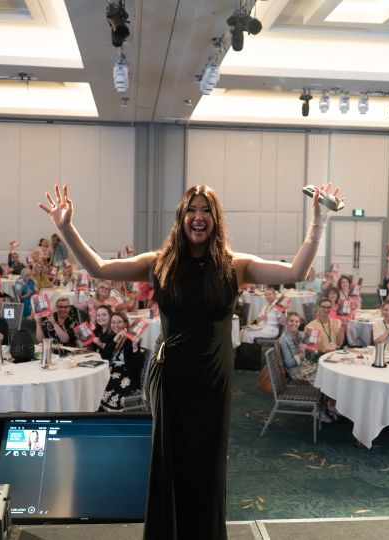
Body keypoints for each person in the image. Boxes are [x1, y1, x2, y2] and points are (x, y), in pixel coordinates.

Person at [37, 182, 337, 539]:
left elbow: (296, 272)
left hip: (214, 379)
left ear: (216, 219)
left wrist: (319, 221)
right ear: (181, 217)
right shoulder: (159, 263)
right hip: (173, 377)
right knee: (170, 462)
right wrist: (66, 227)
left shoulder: (235, 265)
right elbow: (99, 267)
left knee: (208, 466)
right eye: (192, 209)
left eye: (206, 210)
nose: (198, 216)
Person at [97, 310, 144, 411]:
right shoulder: (111, 337)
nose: (116, 325)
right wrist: (114, 340)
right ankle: (100, 409)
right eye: (113, 322)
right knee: (98, 380)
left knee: (107, 382)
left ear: (125, 323)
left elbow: (136, 366)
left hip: (127, 373)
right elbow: (103, 357)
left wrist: (135, 348)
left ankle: (108, 411)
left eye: (119, 322)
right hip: (111, 370)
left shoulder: (131, 339)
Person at [278, 312, 317, 383]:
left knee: (323, 372)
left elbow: (311, 356)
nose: (294, 324)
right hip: (295, 372)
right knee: (320, 378)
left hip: (306, 366)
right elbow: (289, 363)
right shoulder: (283, 340)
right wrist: (301, 354)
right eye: (291, 321)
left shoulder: (301, 335)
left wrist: (313, 344)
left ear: (299, 323)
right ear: (286, 322)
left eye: (297, 321)